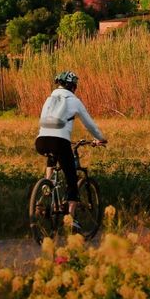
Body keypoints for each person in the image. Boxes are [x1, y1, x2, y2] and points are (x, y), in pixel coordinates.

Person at [36, 71, 107, 223]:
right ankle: (70, 219)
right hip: (59, 141)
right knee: (72, 179)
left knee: (52, 155)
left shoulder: (49, 99)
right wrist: (100, 139)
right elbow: (89, 124)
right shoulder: (74, 101)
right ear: (72, 86)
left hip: (41, 141)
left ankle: (45, 188)